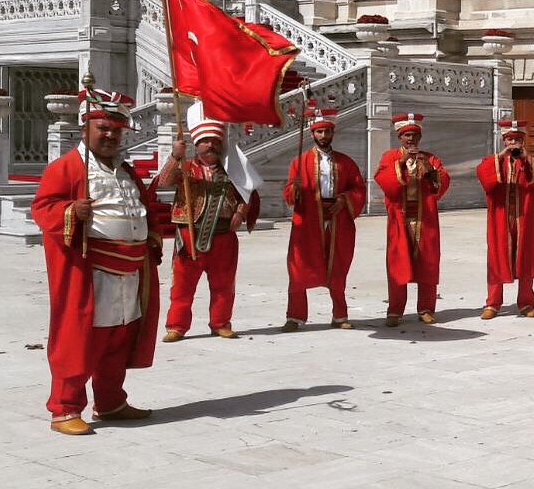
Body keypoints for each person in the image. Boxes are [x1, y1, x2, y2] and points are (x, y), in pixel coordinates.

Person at [30, 89, 163, 435]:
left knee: (119, 336)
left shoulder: (126, 171)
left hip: (131, 269)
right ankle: (65, 408)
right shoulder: (66, 167)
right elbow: (43, 208)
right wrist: (71, 210)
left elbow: (142, 207)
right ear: (85, 129)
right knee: (79, 338)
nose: (110, 136)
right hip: (92, 269)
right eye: (103, 128)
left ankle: (111, 401)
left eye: (116, 131)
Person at [157, 115, 258, 341]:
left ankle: (221, 322)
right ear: (196, 143)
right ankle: (177, 325)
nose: (210, 145)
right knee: (182, 285)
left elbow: (247, 191)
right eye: (205, 140)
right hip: (189, 233)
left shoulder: (233, 169)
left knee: (223, 283)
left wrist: (240, 213)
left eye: (214, 141)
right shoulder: (186, 167)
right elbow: (163, 181)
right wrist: (175, 155)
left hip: (223, 236)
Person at [283, 108, 366, 331]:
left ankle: (339, 314)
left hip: (338, 218)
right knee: (299, 267)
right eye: (319, 132)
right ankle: (295, 316)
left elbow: (358, 187)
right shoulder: (299, 162)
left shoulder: (345, 162)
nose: (323, 136)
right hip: (309, 219)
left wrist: (345, 199)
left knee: (337, 266)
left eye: (327, 131)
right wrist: (295, 188)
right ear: (312, 133)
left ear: (333, 132)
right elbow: (289, 194)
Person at [375, 112, 450, 326]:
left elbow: (442, 181)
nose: (411, 139)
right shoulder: (389, 157)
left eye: (414, 135)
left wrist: (431, 172)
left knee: (427, 262)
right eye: (407, 135)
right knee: (397, 262)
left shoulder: (430, 158)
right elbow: (383, 180)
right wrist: (402, 162)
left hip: (425, 218)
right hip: (400, 218)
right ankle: (395, 310)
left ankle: (426, 307)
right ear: (400, 137)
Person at [478, 119, 534, 319]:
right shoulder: (495, 160)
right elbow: (483, 175)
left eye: (517, 140)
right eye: (510, 140)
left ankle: (526, 302)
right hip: (500, 218)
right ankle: (493, 303)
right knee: (497, 257)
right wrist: (501, 156)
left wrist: (526, 156)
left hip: (524, 217)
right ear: (504, 142)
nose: (513, 144)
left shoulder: (528, 161)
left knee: (525, 258)